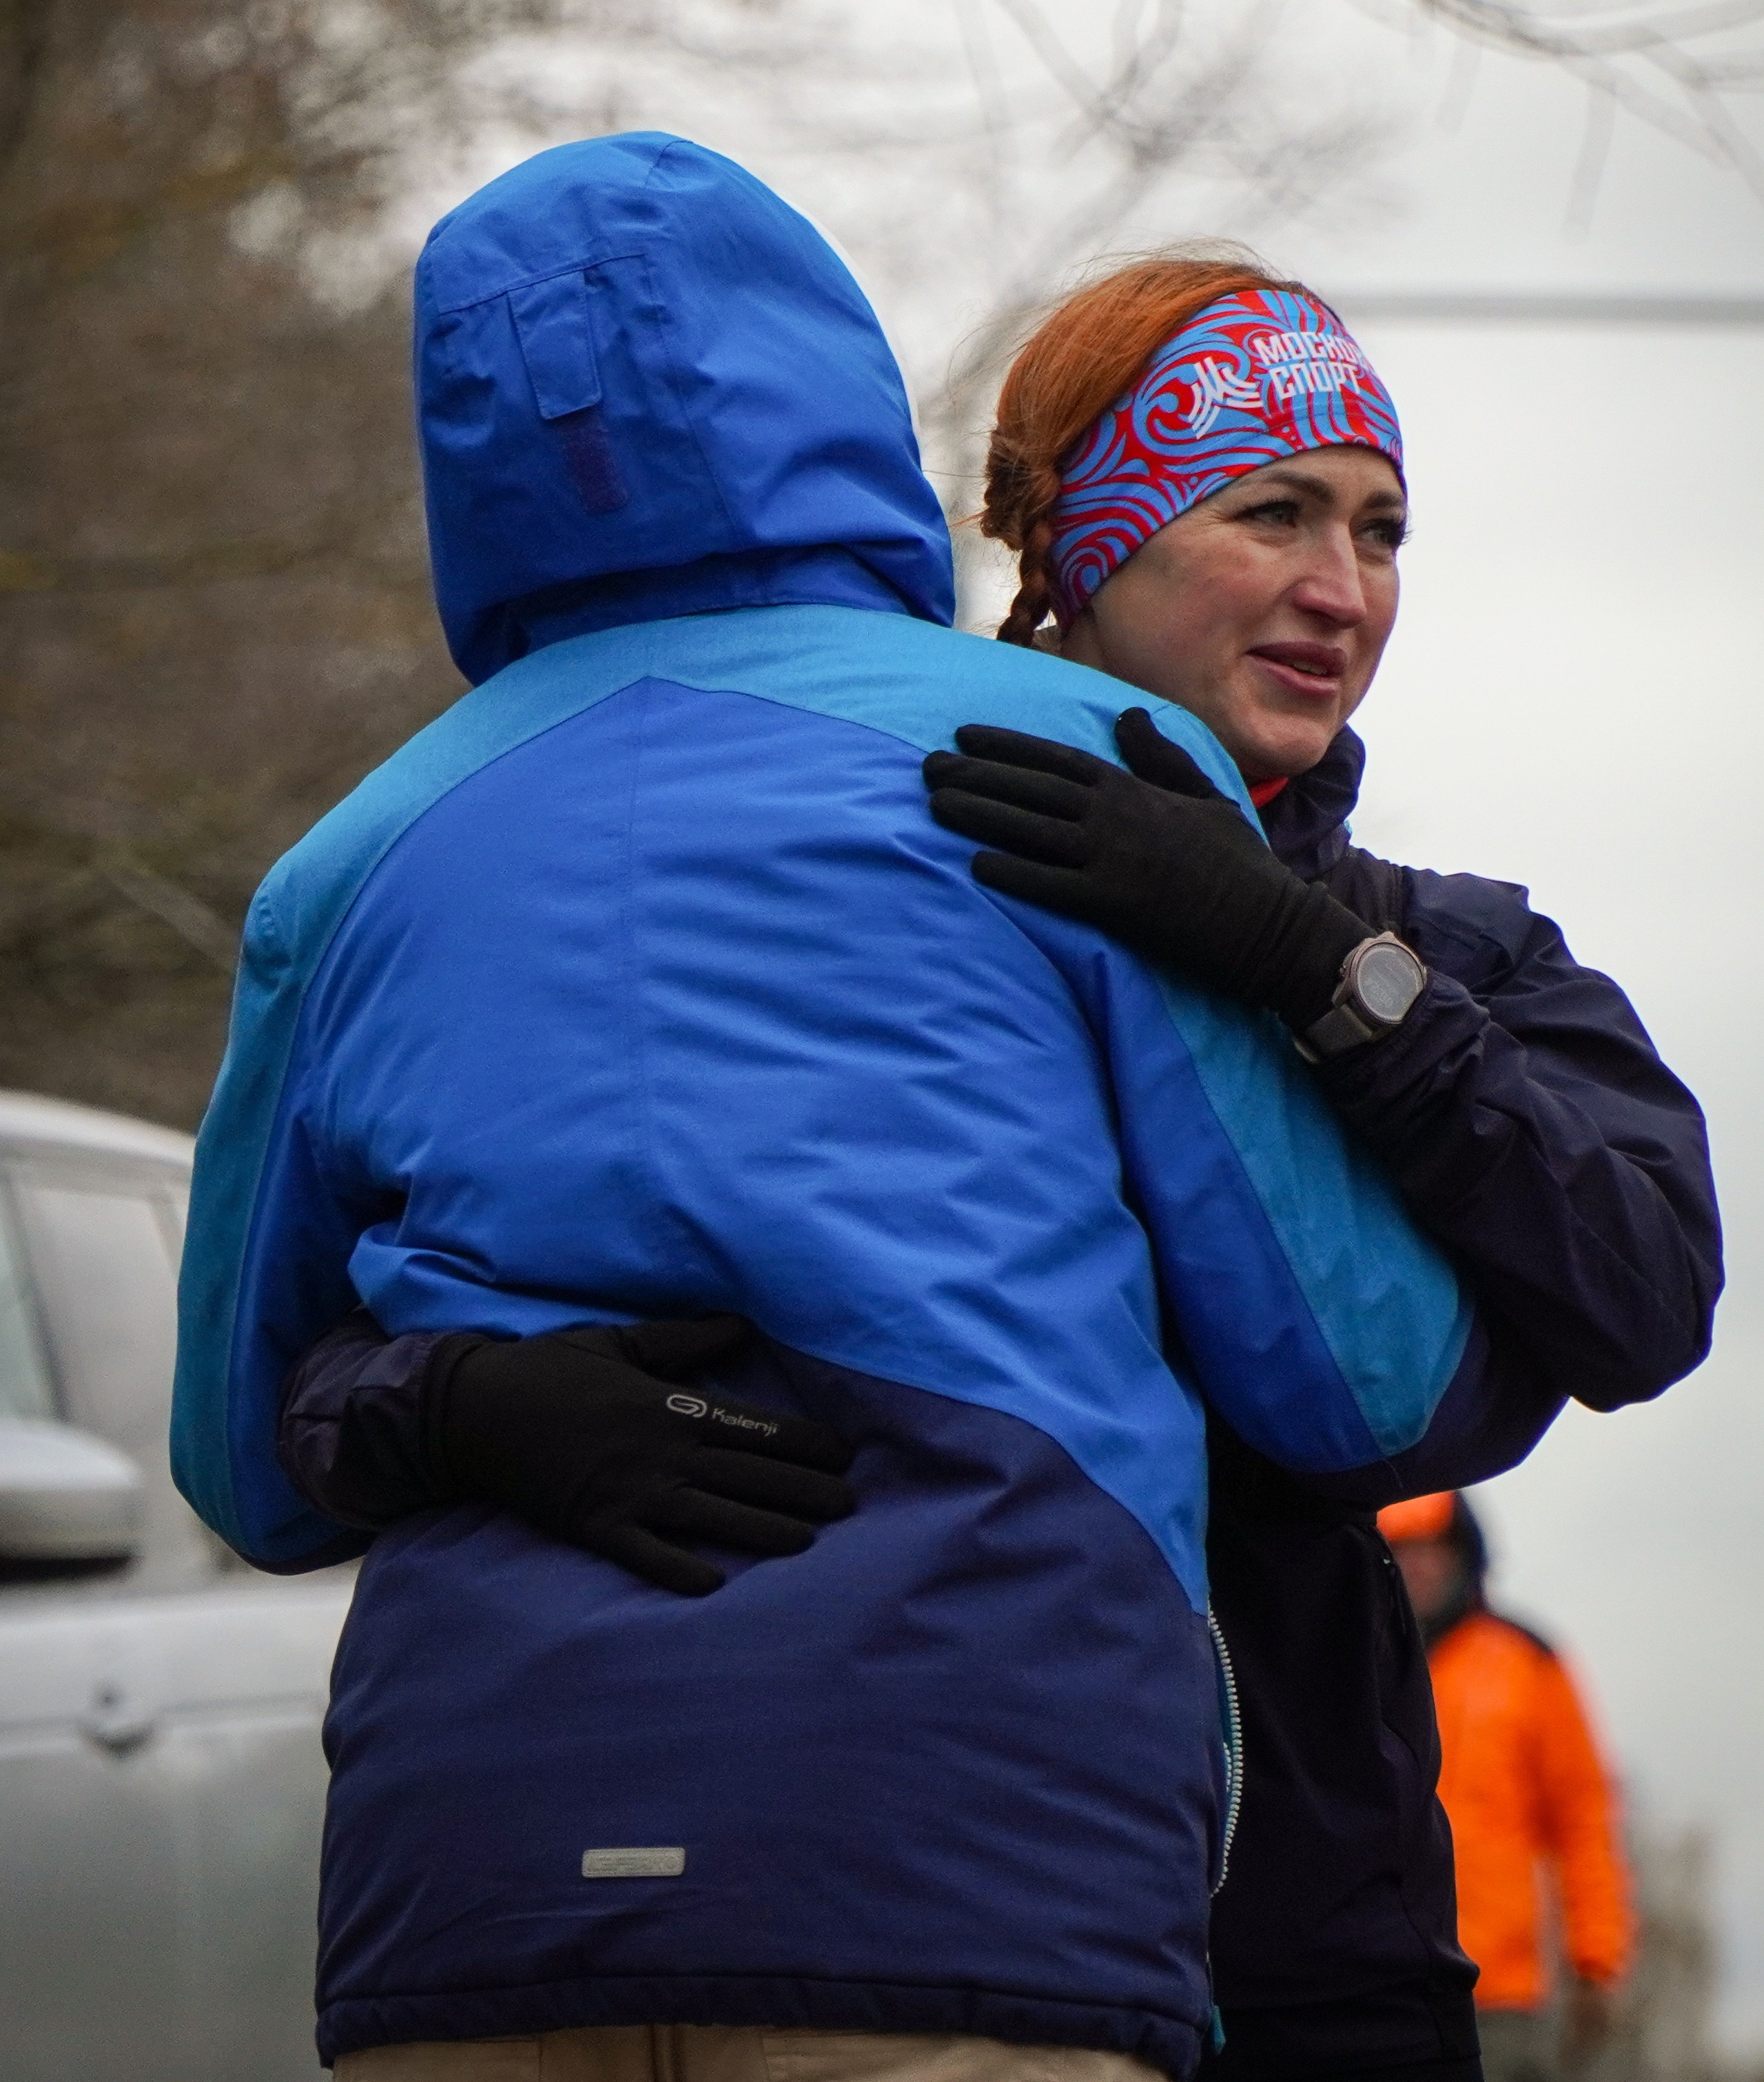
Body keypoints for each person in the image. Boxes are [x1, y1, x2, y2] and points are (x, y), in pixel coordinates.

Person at [173, 141, 1557, 2082]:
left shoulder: (343, 873)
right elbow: (1361, 1385)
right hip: (963, 1866)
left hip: (469, 1893)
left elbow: (246, 1461)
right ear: (815, 386)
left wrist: (464, 1396)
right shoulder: (1075, 764)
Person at [923, 258, 1719, 2082]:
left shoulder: (1454, 950)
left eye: (1379, 530)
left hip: (1313, 1940)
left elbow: (1649, 1284)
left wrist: (1312, 972)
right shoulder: (892, 881)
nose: (1340, 591)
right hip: (928, 1907)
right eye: (1270, 510)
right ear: (1083, 536)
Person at [1380, 1494, 1634, 2082]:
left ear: (1464, 1555)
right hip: (1373, 1988)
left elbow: (1583, 1816)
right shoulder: (1349, 1670)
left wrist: (1598, 1958)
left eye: (1433, 1550)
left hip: (1499, 1996)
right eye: (1402, 1551)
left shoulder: (1529, 1663)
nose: (1419, 1567)